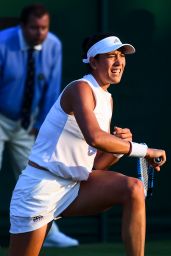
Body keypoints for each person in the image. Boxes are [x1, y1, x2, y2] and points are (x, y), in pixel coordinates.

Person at [8, 32, 166, 256]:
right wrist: (144, 151)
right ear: (93, 62)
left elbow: (94, 166)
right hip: (40, 189)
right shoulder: (79, 89)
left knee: (133, 188)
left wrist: (119, 150)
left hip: (74, 187)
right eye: (111, 56)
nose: (119, 61)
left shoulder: (108, 99)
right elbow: (95, 137)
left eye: (122, 56)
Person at [0, 3, 78, 248]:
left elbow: (52, 87)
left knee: (37, 178)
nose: (39, 33)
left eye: (44, 28)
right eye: (34, 28)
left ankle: (48, 233)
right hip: (0, 118)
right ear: (22, 26)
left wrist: (43, 124)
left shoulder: (53, 44)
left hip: (28, 123)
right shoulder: (2, 42)